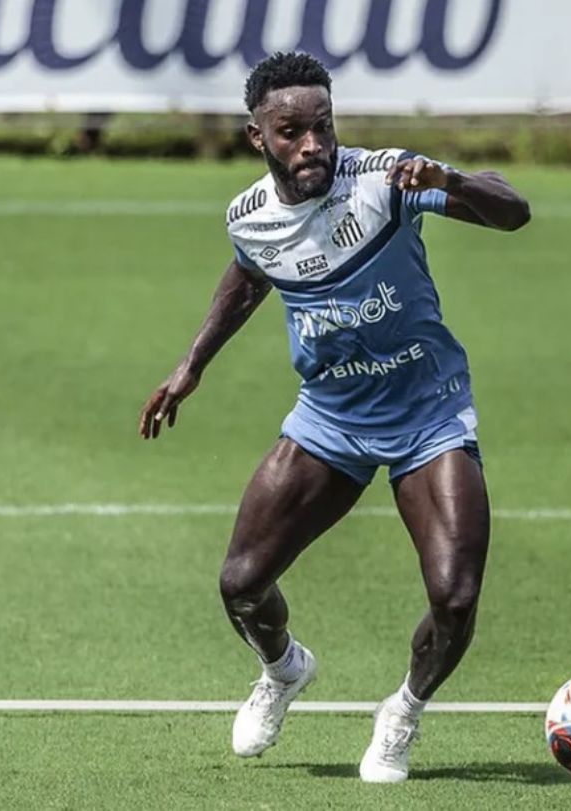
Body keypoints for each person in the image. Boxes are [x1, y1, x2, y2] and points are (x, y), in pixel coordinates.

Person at [138, 51, 530, 783]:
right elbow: (249, 275)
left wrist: (448, 178)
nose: (313, 144)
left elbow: (514, 211)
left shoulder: (387, 177)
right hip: (331, 419)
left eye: (322, 126)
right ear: (258, 137)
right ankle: (283, 669)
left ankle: (404, 712)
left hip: (428, 413)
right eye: (291, 132)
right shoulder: (248, 217)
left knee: (455, 594)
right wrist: (192, 363)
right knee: (241, 582)